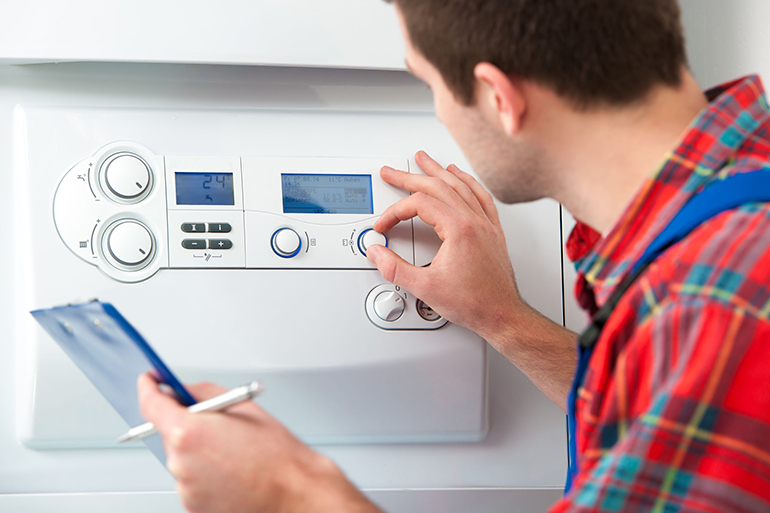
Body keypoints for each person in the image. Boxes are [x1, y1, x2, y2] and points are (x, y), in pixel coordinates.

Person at [138, 0, 770, 511]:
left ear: (500, 96)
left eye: (429, 84)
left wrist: (290, 492)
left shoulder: (712, 302)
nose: (439, 113)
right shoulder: (729, 216)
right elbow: (660, 419)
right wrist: (502, 318)